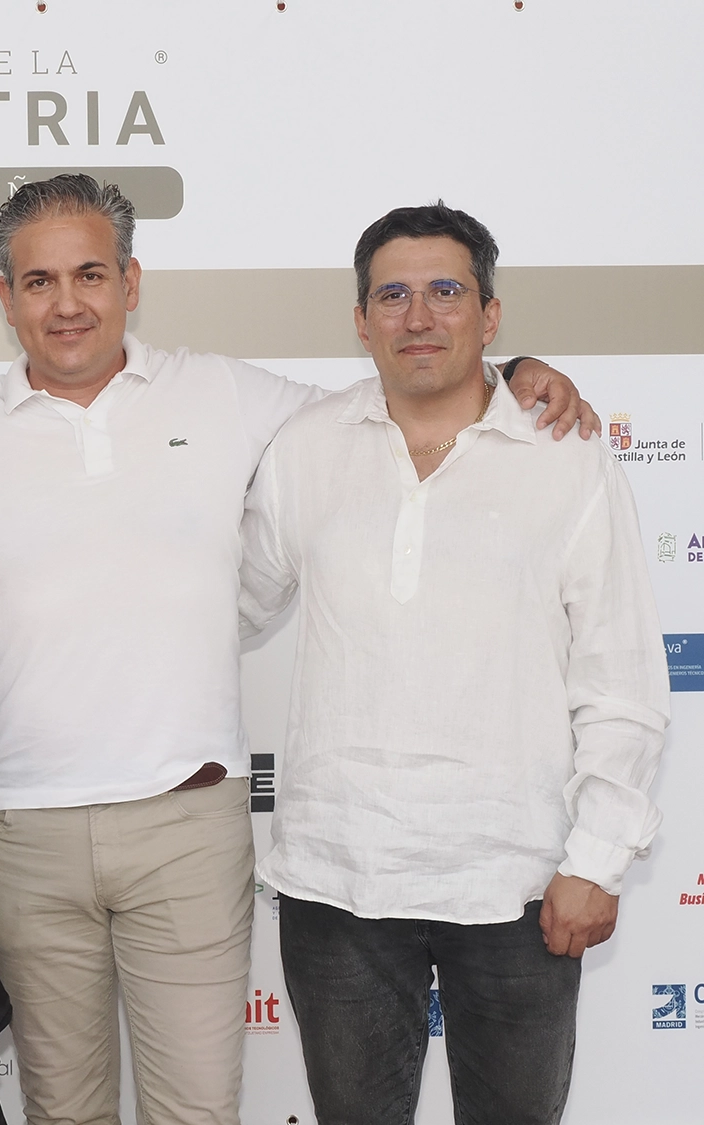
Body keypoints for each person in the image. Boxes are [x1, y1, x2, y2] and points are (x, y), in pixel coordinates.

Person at [0, 174, 597, 1125]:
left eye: (92, 273)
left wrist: (515, 373)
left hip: (187, 820)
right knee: (62, 1109)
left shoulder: (228, 394)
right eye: (40, 280)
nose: (68, 302)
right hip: (19, 831)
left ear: (132, 281)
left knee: (197, 1113)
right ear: (5, 297)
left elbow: (400, 394)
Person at [238, 202, 668, 1125]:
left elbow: (623, 679)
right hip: (338, 883)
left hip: (517, 884)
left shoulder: (569, 457)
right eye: (392, 295)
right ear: (360, 321)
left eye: (446, 291)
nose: (419, 316)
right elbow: (226, 607)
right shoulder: (304, 448)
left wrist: (596, 858)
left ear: (491, 314)